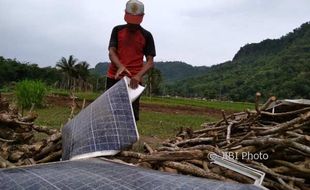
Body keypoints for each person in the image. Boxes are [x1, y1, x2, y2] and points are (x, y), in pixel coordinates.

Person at [106, 0, 156, 121]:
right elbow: (112, 51)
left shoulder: (146, 35)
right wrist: (120, 66)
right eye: (130, 21)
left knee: (130, 116)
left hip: (133, 82)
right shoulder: (117, 30)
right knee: (111, 112)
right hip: (114, 77)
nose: (132, 25)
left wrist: (138, 76)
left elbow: (150, 61)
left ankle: (128, 139)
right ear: (125, 15)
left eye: (135, 22)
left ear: (142, 18)